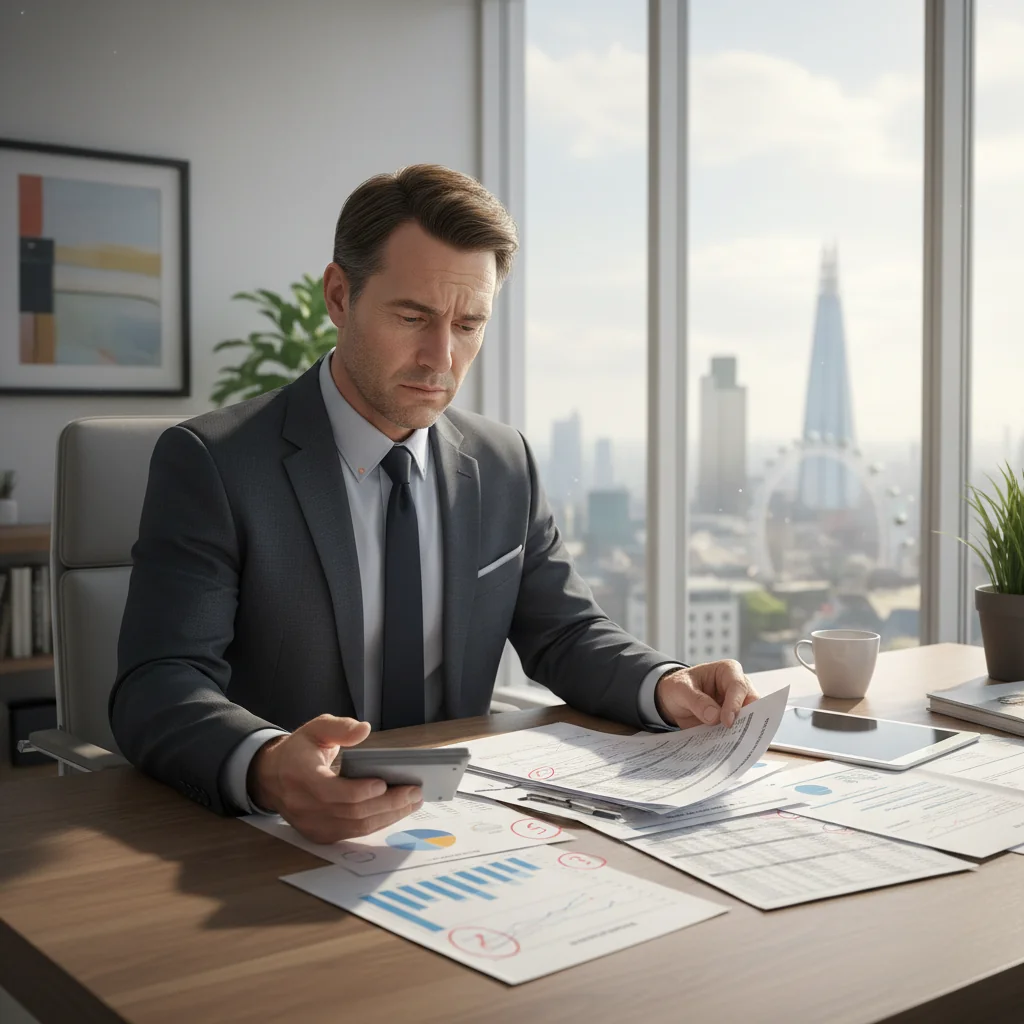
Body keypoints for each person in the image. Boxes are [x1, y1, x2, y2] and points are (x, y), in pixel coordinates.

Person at [111, 164, 758, 844]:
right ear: (339, 295)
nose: (440, 358)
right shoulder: (215, 464)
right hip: (276, 837)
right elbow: (159, 684)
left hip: (457, 829)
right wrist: (271, 767)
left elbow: (563, 633)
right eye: (413, 316)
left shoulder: (504, 463)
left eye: (469, 324)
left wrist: (666, 683)